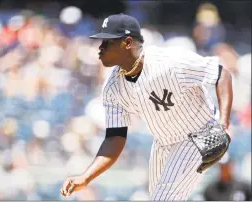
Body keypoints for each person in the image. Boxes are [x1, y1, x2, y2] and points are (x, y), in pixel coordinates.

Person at [60, 13, 233, 200]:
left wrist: (223, 125)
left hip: (199, 134)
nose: (100, 48)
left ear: (127, 43)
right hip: (163, 142)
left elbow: (221, 74)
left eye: (107, 42)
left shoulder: (168, 61)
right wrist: (86, 177)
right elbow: (114, 139)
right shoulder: (113, 87)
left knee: (164, 198)